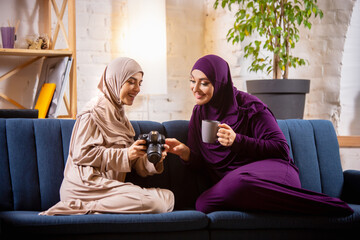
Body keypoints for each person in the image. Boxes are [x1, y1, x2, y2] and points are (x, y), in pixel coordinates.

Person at [166, 54, 353, 216]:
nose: (195, 88)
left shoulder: (249, 107)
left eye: (204, 83)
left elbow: (280, 148)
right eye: (192, 80)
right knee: (203, 203)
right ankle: (267, 204)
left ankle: (328, 207)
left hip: (274, 172)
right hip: (234, 183)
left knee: (238, 182)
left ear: (220, 82)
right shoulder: (199, 113)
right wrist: (185, 153)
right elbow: (202, 163)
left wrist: (237, 140)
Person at [40, 57, 174, 215]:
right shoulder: (92, 113)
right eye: (131, 81)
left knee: (169, 197)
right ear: (114, 81)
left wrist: (153, 159)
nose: (137, 88)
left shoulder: (121, 118)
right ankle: (82, 206)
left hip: (108, 187)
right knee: (156, 204)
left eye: (139, 83)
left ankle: (108, 206)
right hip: (86, 186)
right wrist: (126, 154)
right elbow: (81, 154)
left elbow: (133, 163)